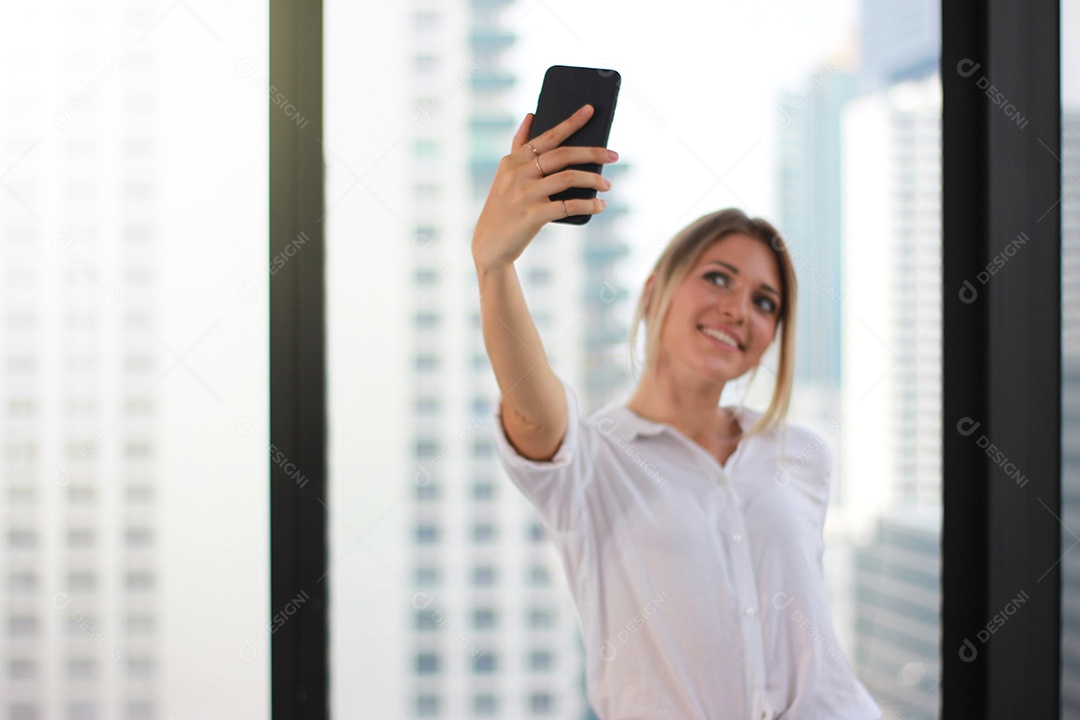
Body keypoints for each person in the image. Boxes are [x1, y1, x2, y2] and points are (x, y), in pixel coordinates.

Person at [472, 104, 882, 720]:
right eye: (718, 279)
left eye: (765, 302)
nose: (739, 309)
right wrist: (494, 266)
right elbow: (532, 413)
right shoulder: (593, 457)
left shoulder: (803, 455)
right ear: (653, 291)